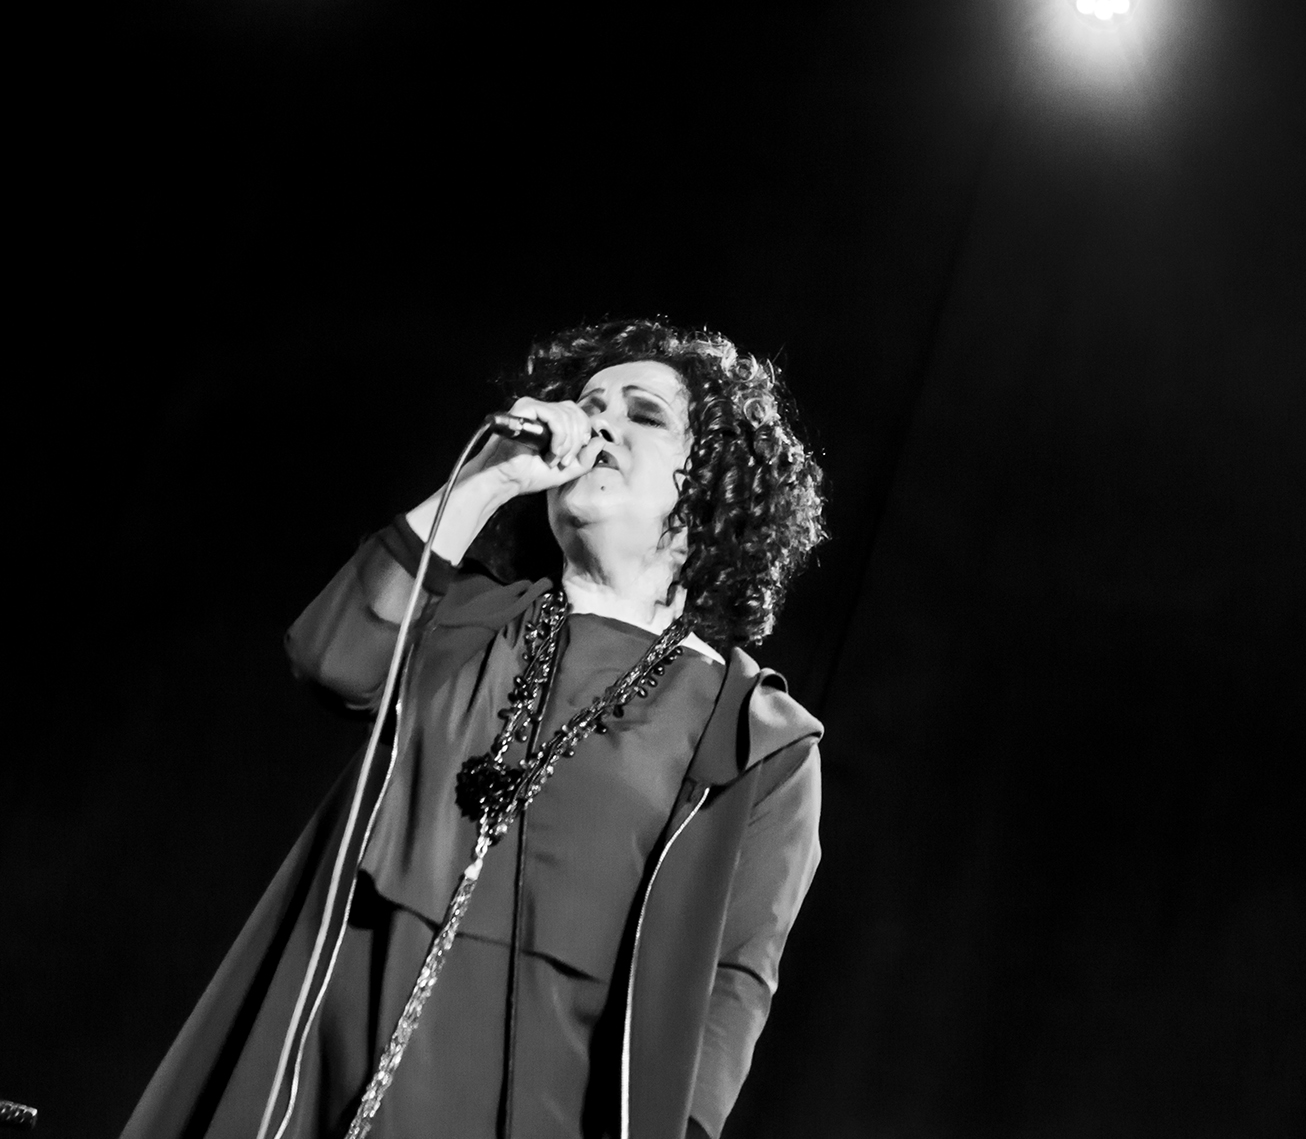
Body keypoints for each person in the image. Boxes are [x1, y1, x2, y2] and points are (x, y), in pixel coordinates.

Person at [123, 318, 830, 1139]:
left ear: (715, 482)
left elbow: (733, 985)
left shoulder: (755, 736)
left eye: (644, 414)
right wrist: (489, 477)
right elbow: (332, 657)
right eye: (589, 405)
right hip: (319, 1078)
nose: (600, 424)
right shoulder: (465, 618)